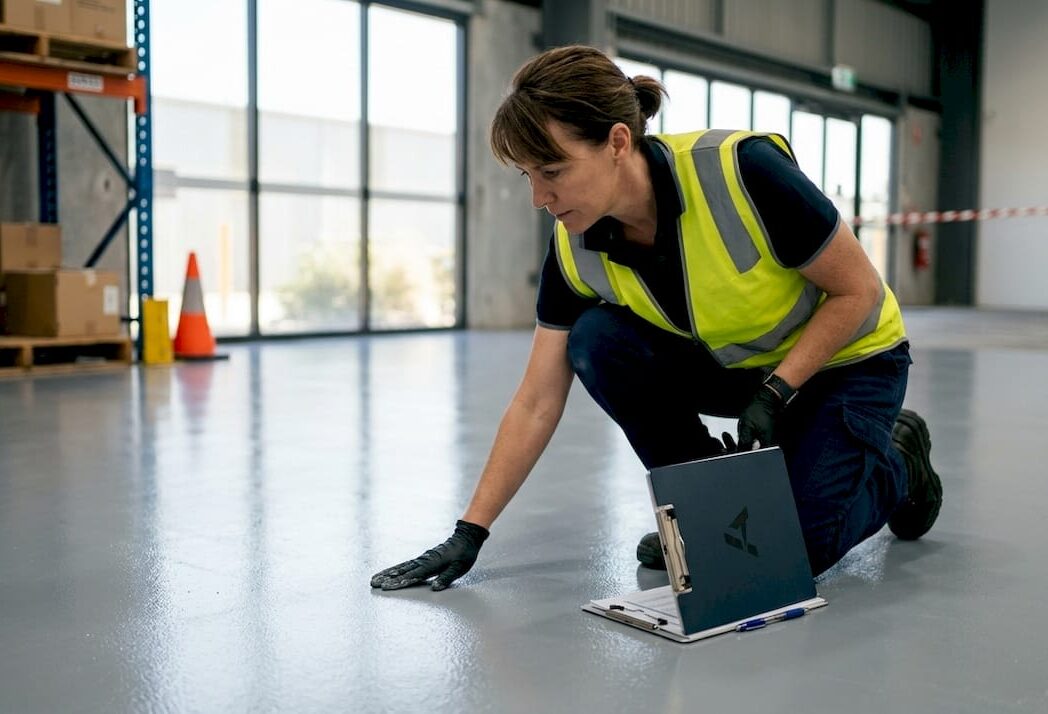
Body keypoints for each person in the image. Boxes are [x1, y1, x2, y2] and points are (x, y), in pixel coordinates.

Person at [370, 45, 942, 592]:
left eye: (552, 171)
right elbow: (537, 399)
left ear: (618, 141)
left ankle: (900, 460)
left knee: (792, 552)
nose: (538, 197)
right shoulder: (574, 247)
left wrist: (778, 391)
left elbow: (858, 292)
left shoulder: (741, 172)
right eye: (527, 176)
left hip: (846, 362)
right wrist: (470, 532)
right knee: (596, 339)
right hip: (740, 372)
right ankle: (711, 506)